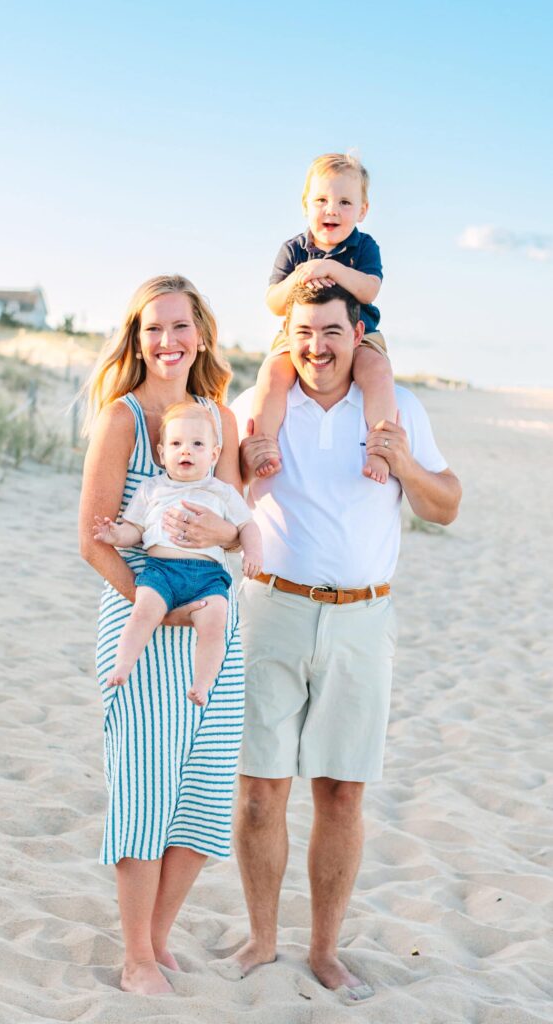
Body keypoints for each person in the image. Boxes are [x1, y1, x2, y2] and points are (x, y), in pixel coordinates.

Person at [225, 283, 461, 1002]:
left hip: (361, 620)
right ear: (286, 334)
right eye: (303, 331)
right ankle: (262, 938)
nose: (316, 347)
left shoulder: (396, 408)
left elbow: (444, 505)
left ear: (357, 333)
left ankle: (324, 950)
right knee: (262, 792)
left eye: (331, 331)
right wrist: (241, 462)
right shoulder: (258, 404)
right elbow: (214, 489)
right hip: (271, 611)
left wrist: (405, 463)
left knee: (340, 793)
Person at [78, 275, 246, 996]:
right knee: (146, 792)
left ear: (201, 334)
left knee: (204, 795)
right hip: (141, 625)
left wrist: (227, 533)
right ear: (137, 338)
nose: (167, 341)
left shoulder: (220, 421)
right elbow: (92, 542)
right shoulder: (120, 419)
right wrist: (154, 605)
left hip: (212, 624)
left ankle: (157, 938)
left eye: (179, 327)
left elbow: (239, 529)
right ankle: (135, 957)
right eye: (153, 328)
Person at [93, 401, 262, 705]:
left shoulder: (220, 491)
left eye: (197, 444)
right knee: (143, 612)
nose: (186, 451)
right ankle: (124, 663)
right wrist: (115, 534)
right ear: (161, 453)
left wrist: (253, 553)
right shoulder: (152, 489)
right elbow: (134, 529)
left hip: (208, 576)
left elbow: (247, 525)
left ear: (213, 454)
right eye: (176, 443)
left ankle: (203, 683)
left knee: (214, 623)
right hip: (161, 570)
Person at [251, 152, 395, 484]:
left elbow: (369, 289)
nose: (331, 209)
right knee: (273, 373)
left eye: (345, 202)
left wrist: (331, 268)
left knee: (377, 371)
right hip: (298, 336)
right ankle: (264, 443)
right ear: (305, 205)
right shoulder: (294, 249)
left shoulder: (364, 248)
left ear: (362, 211)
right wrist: (300, 275)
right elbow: (273, 301)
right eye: (321, 200)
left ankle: (380, 447)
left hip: (360, 336)